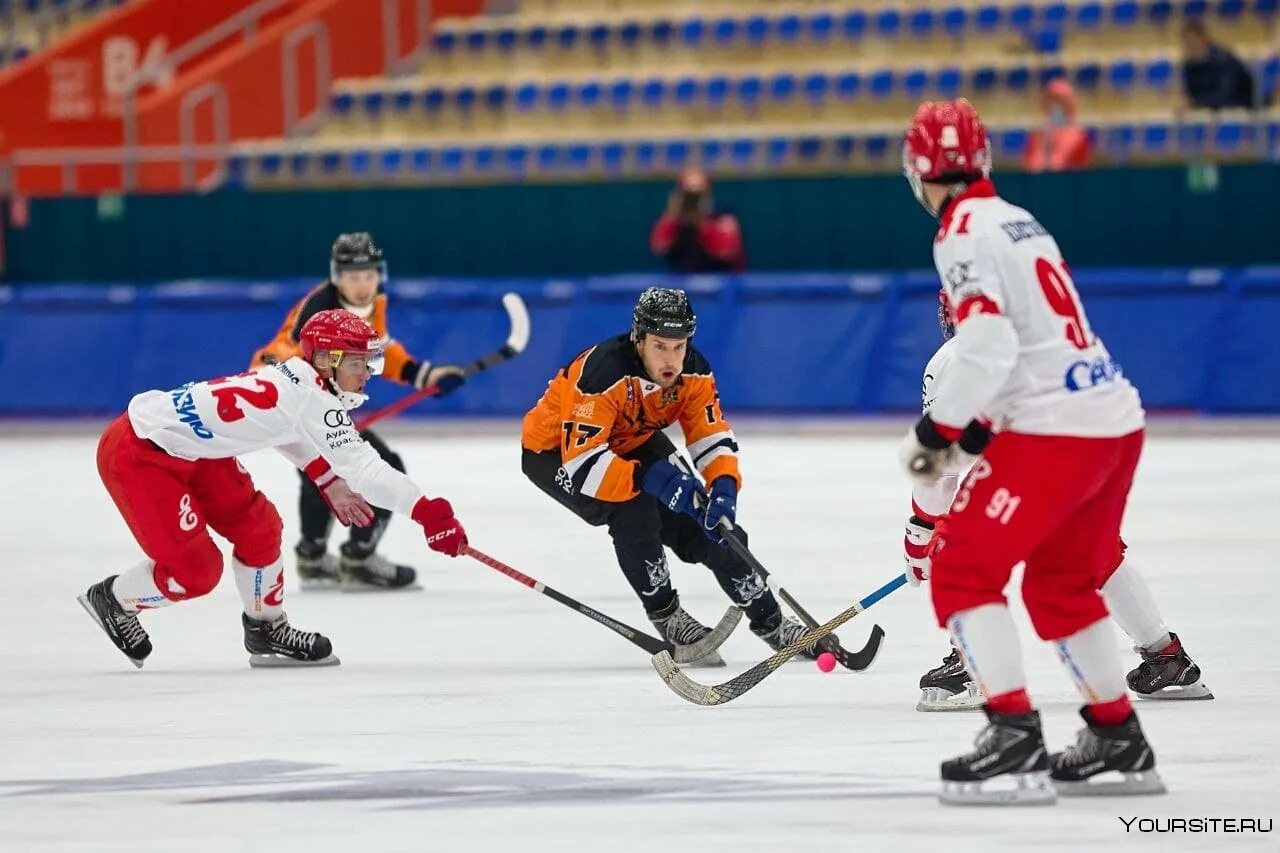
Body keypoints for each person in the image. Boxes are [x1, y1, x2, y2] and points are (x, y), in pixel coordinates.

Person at [899, 98, 1165, 804]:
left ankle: (1013, 734)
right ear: (981, 161)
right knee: (1058, 583)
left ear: (919, 174)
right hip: (1114, 417)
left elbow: (985, 348)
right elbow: (1029, 346)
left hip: (1062, 429)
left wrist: (935, 436)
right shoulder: (1020, 218)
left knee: (959, 570)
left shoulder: (959, 231)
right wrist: (981, 430)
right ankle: (1116, 736)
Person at [79, 310, 468, 669]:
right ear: (326, 361)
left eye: (369, 361)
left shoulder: (296, 375)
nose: (367, 373)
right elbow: (365, 470)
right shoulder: (315, 400)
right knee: (197, 572)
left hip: (195, 448)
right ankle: (114, 599)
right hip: (139, 454)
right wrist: (428, 512)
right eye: (356, 362)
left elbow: (285, 426)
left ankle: (265, 629)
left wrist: (327, 479)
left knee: (260, 530)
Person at [908, 296, 1211, 712]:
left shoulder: (955, 358)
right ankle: (1167, 659)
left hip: (1044, 456)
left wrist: (922, 529)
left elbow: (942, 461)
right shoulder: (1050, 333)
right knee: (1096, 555)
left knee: (966, 559)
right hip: (1107, 442)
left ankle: (972, 667)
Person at [520, 287, 837, 664]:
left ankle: (773, 623)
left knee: (708, 521)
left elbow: (711, 436)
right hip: (556, 454)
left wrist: (722, 486)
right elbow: (585, 466)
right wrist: (654, 480)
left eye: (679, 345)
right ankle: (668, 616)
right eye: (659, 346)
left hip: (632, 441)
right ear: (638, 339)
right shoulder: (601, 375)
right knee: (632, 509)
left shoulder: (694, 371)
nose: (671, 359)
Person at [251, 232, 466, 591]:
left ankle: (314, 556)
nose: (363, 285)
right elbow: (281, 354)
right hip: (292, 398)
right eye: (353, 277)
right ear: (337, 277)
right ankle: (358, 557)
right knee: (378, 467)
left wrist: (424, 375)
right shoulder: (319, 310)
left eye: (369, 275)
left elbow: (380, 348)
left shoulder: (372, 305)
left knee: (324, 471)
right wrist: (307, 404)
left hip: (314, 400)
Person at [649, 169, 746, 274]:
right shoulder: (674, 221)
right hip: (681, 284)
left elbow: (725, 252)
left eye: (698, 194)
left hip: (718, 284)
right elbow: (658, 247)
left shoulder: (723, 218)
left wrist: (703, 224)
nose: (693, 199)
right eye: (688, 195)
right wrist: (672, 215)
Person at [1180, 19, 1255, 110]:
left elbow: (1226, 95)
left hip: (1244, 108)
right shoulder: (1189, 66)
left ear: (1204, 40)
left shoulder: (1224, 60)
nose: (1191, 47)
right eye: (1187, 43)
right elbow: (1191, 95)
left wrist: (1195, 102)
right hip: (1216, 112)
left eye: (1194, 42)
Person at [1022, 78, 1092, 173]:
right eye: (1052, 100)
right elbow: (1028, 163)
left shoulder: (1079, 136)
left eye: (1060, 101)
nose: (1056, 106)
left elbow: (1080, 166)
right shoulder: (1037, 133)